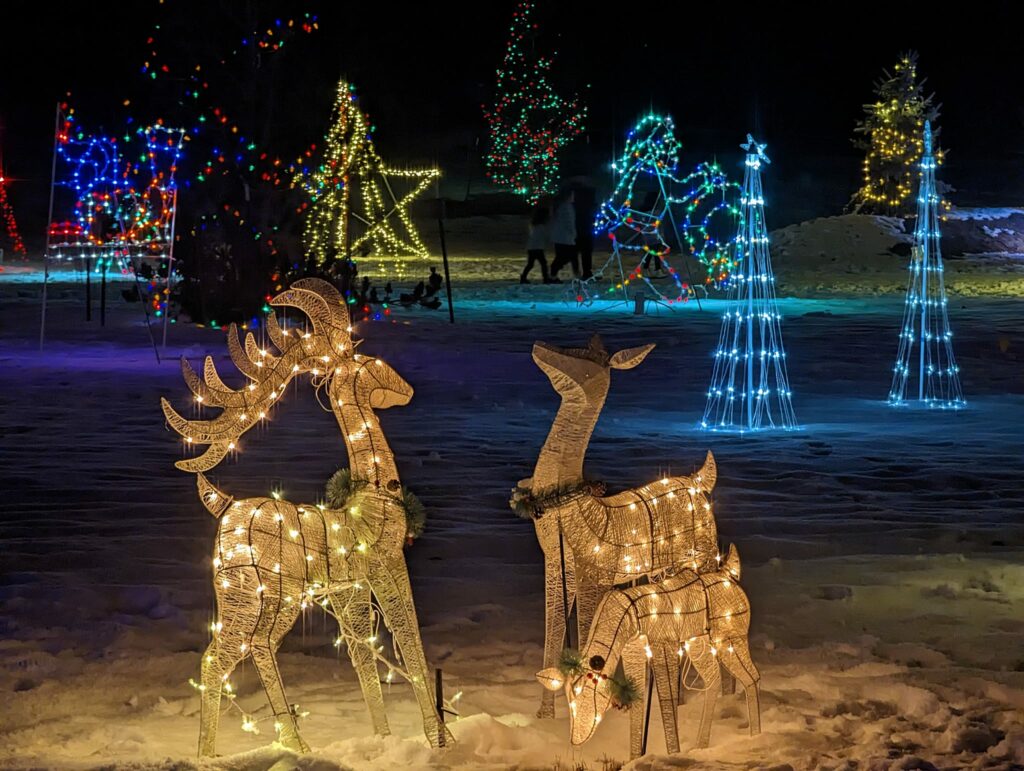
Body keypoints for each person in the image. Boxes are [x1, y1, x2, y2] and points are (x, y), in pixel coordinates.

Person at [548, 189, 579, 280]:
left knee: (564, 256)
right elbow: (569, 222)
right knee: (568, 256)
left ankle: (554, 273)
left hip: (560, 237)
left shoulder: (561, 206)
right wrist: (574, 233)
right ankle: (554, 272)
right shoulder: (567, 207)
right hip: (565, 237)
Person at [521, 199, 552, 284]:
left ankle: (523, 277)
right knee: (543, 263)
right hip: (537, 248)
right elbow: (545, 236)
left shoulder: (534, 225)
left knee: (531, 264)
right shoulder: (541, 227)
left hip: (531, 247)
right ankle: (545, 278)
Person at [571, 179, 597, 280]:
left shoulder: (575, 203)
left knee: (577, 253)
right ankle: (586, 272)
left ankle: (579, 272)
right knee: (586, 253)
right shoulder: (588, 203)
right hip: (584, 229)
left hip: (579, 230)